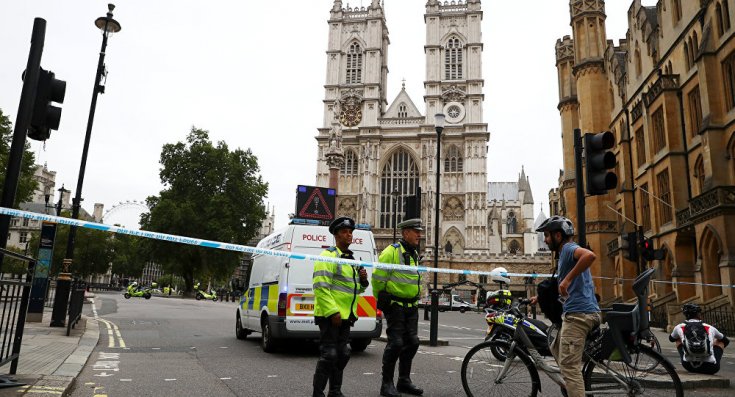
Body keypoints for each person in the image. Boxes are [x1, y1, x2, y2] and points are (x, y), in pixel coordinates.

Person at [530, 215, 600, 397]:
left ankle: (574, 384)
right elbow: (561, 286)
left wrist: (567, 279)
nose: (545, 240)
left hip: (579, 315)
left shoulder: (569, 249)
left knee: (569, 367)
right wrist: (539, 297)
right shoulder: (563, 255)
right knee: (555, 347)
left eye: (546, 236)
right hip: (579, 312)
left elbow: (589, 255)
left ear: (558, 236)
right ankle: (574, 386)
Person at [312, 216, 369, 397]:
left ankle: (335, 391)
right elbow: (321, 287)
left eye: (350, 232)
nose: (349, 235)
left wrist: (363, 281)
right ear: (336, 236)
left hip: (346, 316)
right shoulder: (328, 256)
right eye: (345, 232)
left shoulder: (351, 260)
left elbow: (355, 290)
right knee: (329, 354)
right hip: (331, 316)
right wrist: (332, 312)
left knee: (343, 354)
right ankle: (318, 392)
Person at [373, 218, 424, 397]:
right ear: (405, 233)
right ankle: (386, 384)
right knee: (396, 343)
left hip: (411, 306)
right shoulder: (391, 252)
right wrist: (383, 298)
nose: (419, 234)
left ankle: (404, 381)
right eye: (415, 231)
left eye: (419, 231)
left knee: (413, 342)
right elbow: (378, 278)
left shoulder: (414, 253)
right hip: (395, 306)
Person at [670, 303, 729, 375]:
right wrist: (711, 346)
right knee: (720, 342)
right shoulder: (709, 327)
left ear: (685, 315)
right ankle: (712, 359)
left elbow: (671, 339)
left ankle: (688, 357)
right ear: (698, 314)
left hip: (688, 366)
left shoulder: (680, 327)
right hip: (711, 368)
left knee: (678, 339)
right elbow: (726, 341)